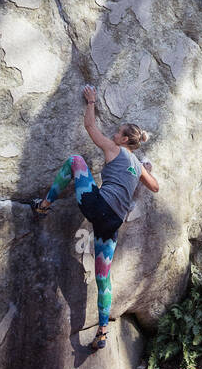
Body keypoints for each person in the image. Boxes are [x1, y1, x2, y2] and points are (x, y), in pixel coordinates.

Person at [30, 85, 159, 351]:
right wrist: (145, 170)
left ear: (124, 140)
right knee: (103, 277)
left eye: (118, 132)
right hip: (111, 224)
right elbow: (155, 186)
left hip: (98, 207)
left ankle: (43, 206)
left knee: (76, 160)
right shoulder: (136, 164)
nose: (114, 134)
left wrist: (91, 102)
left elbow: (91, 128)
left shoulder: (115, 149)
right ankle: (102, 331)